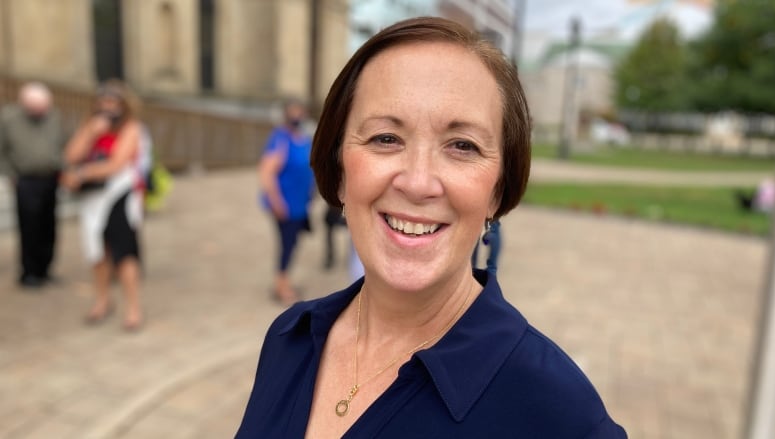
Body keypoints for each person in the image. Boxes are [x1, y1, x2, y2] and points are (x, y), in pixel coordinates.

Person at [236, 17, 626, 438]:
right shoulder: (289, 338)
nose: (418, 182)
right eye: (385, 138)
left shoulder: (558, 412)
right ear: (340, 170)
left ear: (498, 190)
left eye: (463, 146)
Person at [60, 79, 145, 331]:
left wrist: (81, 175)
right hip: (92, 199)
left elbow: (117, 163)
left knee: (124, 253)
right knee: (96, 252)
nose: (108, 106)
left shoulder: (131, 128)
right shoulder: (91, 126)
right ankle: (102, 300)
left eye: (113, 101)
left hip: (118, 196)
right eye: (104, 101)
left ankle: (133, 307)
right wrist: (90, 133)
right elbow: (70, 156)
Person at [0, 82, 66, 288]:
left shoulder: (54, 117)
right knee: (29, 227)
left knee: (49, 225)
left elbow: (61, 143)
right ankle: (29, 272)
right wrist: (10, 174)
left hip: (50, 177)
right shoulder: (9, 119)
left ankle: (45, 269)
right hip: (26, 179)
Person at [258, 99, 315, 305]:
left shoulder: (303, 138)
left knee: (293, 242)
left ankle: (284, 280)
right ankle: (281, 286)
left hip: (300, 204)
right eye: (293, 112)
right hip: (285, 204)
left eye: (300, 111)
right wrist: (276, 201)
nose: (297, 116)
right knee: (287, 244)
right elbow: (266, 172)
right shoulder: (280, 139)